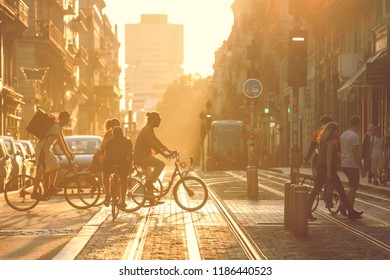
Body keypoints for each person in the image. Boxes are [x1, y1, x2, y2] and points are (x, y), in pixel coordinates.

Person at [307, 122, 363, 220]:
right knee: (338, 190)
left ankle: (351, 211)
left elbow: (320, 155)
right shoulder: (331, 141)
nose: (338, 132)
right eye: (336, 130)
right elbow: (328, 157)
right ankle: (351, 211)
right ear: (332, 131)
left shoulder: (322, 140)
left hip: (321, 166)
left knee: (319, 189)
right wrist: (329, 171)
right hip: (327, 168)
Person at [31, 111, 74, 200]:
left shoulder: (58, 127)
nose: (68, 121)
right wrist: (67, 155)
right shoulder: (56, 127)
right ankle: (34, 193)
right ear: (62, 118)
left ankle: (50, 187)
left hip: (47, 150)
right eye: (67, 119)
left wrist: (69, 153)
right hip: (41, 151)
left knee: (55, 165)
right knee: (40, 172)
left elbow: (63, 141)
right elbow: (61, 143)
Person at [133, 111, 173, 206]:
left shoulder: (149, 129)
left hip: (144, 156)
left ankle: (151, 200)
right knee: (161, 164)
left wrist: (168, 150)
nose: (159, 122)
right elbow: (152, 144)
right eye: (158, 120)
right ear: (153, 120)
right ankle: (149, 184)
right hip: (141, 157)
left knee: (149, 177)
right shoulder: (146, 130)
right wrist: (164, 154)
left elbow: (157, 141)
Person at [102, 126, 133, 208]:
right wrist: (130, 166)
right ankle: (123, 200)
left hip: (110, 162)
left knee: (105, 175)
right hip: (122, 163)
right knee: (123, 180)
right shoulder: (127, 141)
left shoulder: (109, 141)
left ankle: (107, 194)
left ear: (113, 134)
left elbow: (105, 154)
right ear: (122, 133)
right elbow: (130, 155)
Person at [340, 115, 365, 209]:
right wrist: (362, 167)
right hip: (352, 164)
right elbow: (356, 152)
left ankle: (345, 206)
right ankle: (348, 208)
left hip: (344, 163)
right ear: (358, 124)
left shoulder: (343, 134)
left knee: (352, 186)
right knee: (354, 187)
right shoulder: (354, 136)